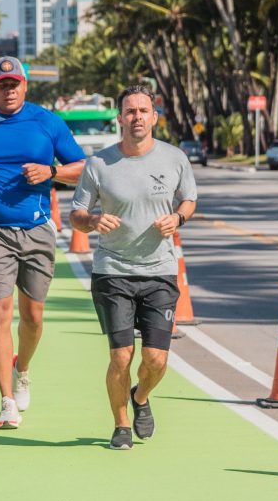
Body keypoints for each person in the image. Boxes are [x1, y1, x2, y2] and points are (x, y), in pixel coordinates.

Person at [0, 56, 85, 429]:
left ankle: (22, 368)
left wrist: (52, 171)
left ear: (25, 86)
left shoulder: (47, 122)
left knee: (33, 317)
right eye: (2, 85)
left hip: (37, 228)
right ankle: (7, 400)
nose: (8, 90)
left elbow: (84, 167)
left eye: (14, 84)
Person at [69, 84, 197, 450]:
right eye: (130, 111)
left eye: (143, 111)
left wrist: (178, 218)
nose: (136, 117)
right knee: (121, 355)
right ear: (120, 118)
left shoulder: (174, 158)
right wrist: (93, 221)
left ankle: (140, 397)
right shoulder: (99, 164)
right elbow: (76, 214)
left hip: (160, 271)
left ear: (154, 117)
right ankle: (121, 424)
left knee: (156, 359)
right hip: (113, 270)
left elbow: (189, 199)